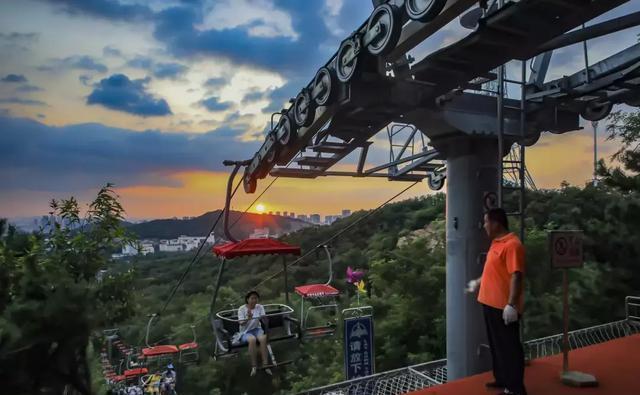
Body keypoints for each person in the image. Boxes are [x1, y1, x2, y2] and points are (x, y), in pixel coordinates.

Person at [467, 208, 527, 395]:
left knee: (509, 348)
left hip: (503, 307)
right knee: (496, 346)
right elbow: (494, 271)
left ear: (496, 223)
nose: (484, 225)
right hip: (489, 303)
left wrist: (511, 304)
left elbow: (516, 275)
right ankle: (502, 378)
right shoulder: (496, 243)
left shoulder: (512, 245)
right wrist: (478, 283)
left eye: (486, 221)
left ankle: (515, 388)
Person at [238, 290, 272, 376]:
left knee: (263, 338)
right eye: (252, 298)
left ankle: (265, 364)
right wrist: (248, 318)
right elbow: (241, 323)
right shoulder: (242, 309)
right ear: (247, 299)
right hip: (245, 332)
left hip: (257, 329)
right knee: (252, 340)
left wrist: (265, 320)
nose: (254, 300)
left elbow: (263, 318)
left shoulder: (259, 307)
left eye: (256, 298)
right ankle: (254, 366)